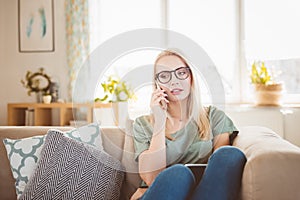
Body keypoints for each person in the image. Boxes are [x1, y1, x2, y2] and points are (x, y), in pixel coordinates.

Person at [130, 49, 247, 200]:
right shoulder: (142, 124)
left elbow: (221, 172)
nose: (174, 81)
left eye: (181, 73)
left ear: (191, 77)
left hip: (204, 194)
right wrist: (159, 121)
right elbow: (152, 178)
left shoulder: (214, 117)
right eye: (164, 76)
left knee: (230, 154)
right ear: (157, 84)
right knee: (179, 174)